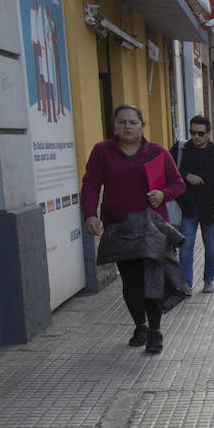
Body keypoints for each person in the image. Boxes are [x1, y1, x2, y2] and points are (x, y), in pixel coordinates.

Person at [81, 105, 185, 354]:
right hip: (120, 229)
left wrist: (163, 193)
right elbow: (91, 185)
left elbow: (178, 183)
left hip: (152, 228)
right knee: (130, 282)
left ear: (142, 126)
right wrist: (90, 215)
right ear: (114, 126)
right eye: (121, 122)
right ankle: (141, 325)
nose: (127, 126)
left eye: (132, 122)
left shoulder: (156, 152)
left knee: (151, 279)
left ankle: (156, 332)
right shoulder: (102, 151)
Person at [172, 115, 214, 293]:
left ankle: (208, 280)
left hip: (210, 209)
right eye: (193, 133)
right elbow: (169, 171)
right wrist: (185, 175)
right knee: (186, 246)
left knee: (210, 246)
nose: (196, 137)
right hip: (188, 208)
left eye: (200, 133)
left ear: (208, 134)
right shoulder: (181, 151)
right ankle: (186, 284)